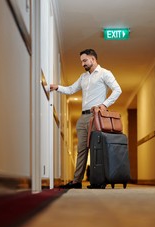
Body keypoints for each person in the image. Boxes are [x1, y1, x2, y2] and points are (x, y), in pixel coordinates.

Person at [50, 49, 122, 189]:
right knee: (82, 150)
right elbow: (71, 89)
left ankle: (98, 181)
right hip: (83, 118)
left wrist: (103, 105)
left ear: (93, 59)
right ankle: (77, 181)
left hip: (96, 116)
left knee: (96, 148)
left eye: (85, 60)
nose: (82, 64)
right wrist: (57, 87)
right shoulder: (83, 77)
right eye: (81, 61)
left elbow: (117, 90)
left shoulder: (105, 73)